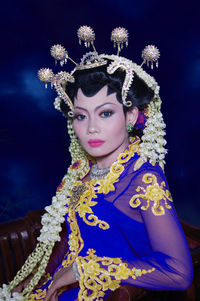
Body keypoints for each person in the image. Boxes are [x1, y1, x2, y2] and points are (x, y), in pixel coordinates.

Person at [0, 26, 193, 301]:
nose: (91, 128)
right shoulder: (80, 172)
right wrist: (38, 278)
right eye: (81, 116)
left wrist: (85, 270)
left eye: (105, 113)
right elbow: (72, 238)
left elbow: (178, 272)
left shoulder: (142, 178)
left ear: (130, 116)